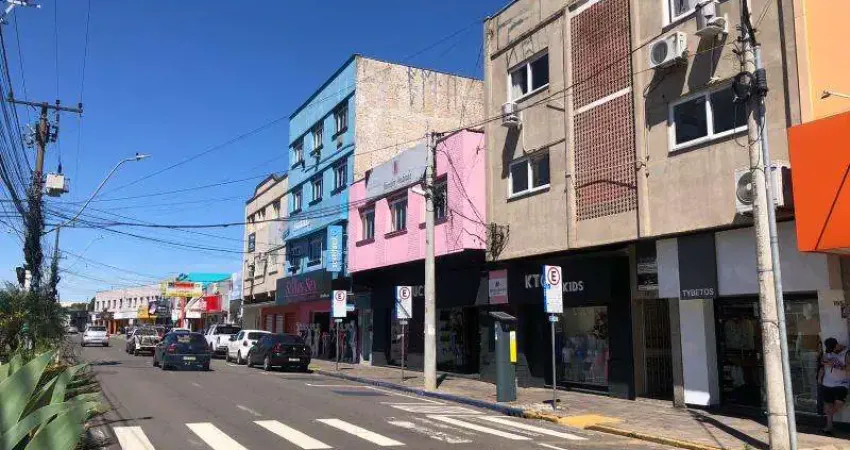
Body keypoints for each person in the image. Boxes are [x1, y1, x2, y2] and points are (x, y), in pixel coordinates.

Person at [821, 337, 849, 434]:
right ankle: (829, 426)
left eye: (832, 348)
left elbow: (848, 368)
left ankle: (829, 418)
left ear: (836, 345)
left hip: (841, 384)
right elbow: (823, 361)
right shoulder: (828, 353)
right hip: (827, 383)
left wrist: (835, 365)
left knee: (838, 405)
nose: (831, 351)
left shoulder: (846, 353)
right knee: (828, 405)